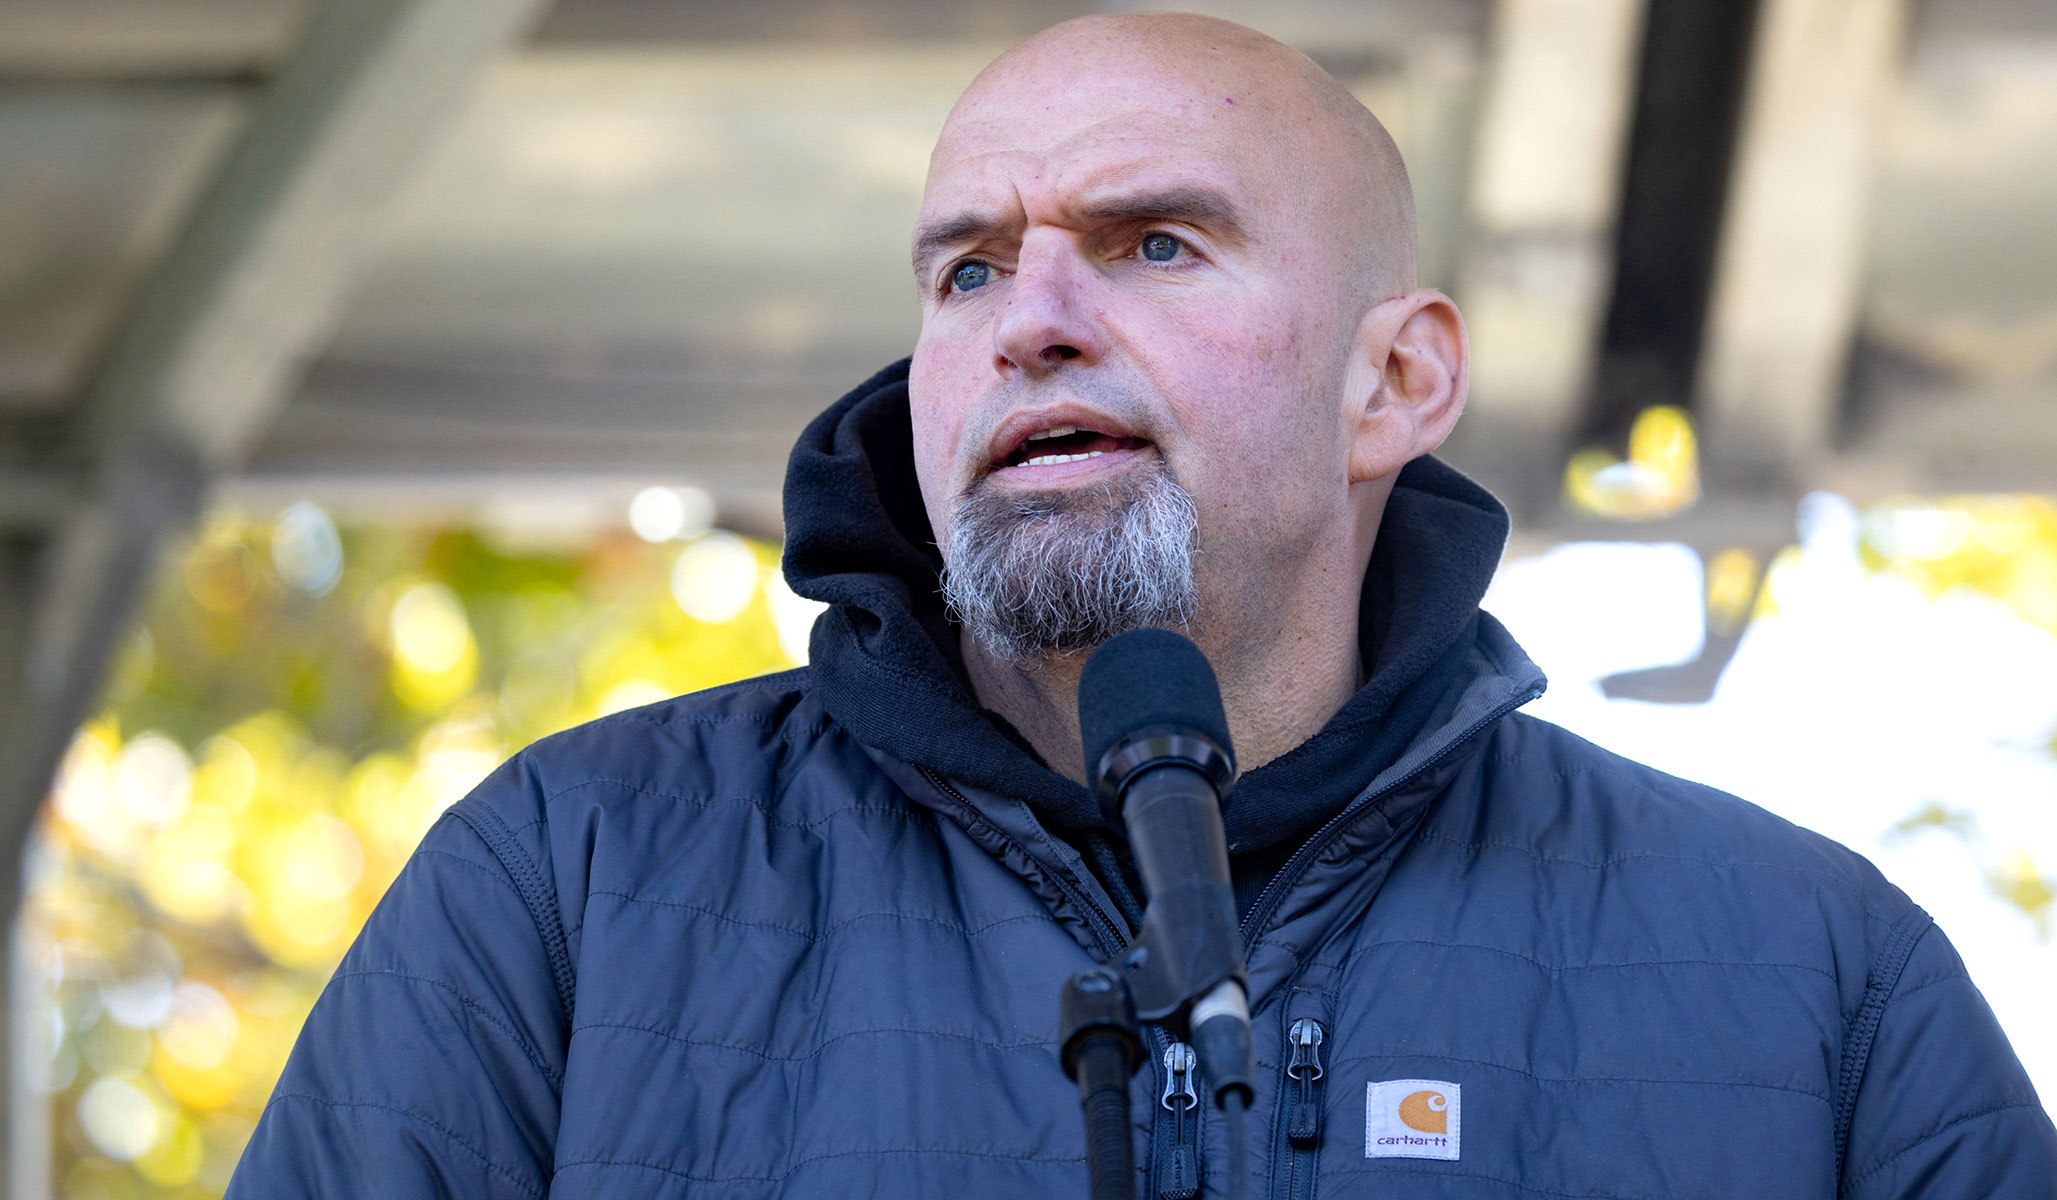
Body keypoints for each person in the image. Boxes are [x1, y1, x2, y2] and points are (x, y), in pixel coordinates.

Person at [228, 13, 2055, 1198]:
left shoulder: (1811, 975)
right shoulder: (571, 881)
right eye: (964, 272)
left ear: (1395, 382)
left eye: (1152, 244)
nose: (1026, 320)